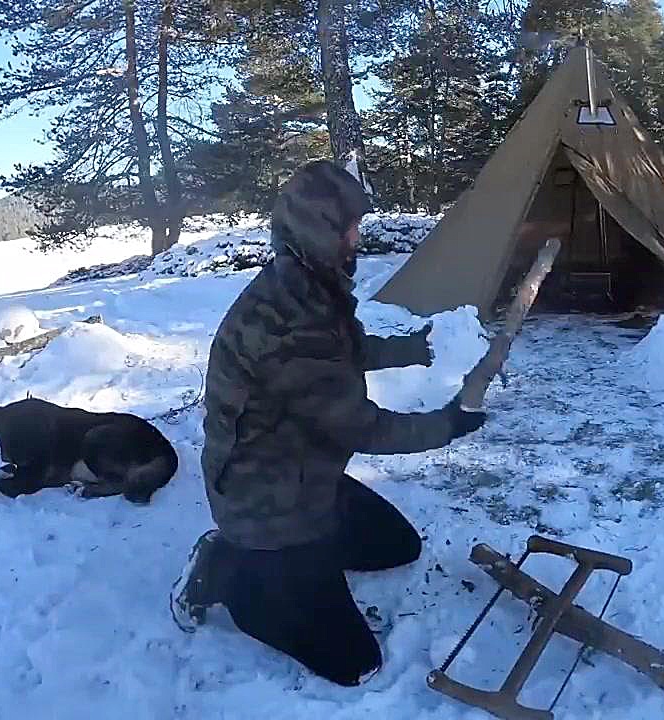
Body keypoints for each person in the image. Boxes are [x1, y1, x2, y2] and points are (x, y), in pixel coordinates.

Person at [169, 160, 485, 686]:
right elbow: (362, 428)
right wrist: (445, 426)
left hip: (302, 476)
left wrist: (417, 349)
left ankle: (302, 565)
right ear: (318, 232)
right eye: (349, 228)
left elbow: (345, 348)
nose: (358, 237)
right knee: (352, 660)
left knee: (398, 546)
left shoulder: (308, 286)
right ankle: (228, 572)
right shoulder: (286, 320)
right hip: (264, 505)